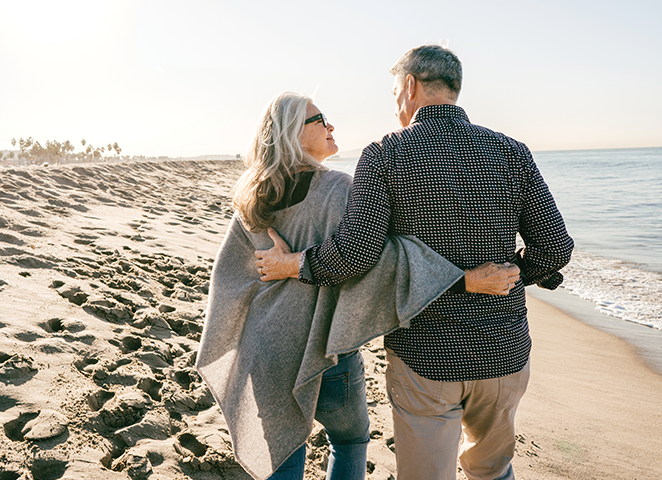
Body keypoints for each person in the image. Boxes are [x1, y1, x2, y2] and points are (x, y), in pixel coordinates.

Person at [255, 45, 574, 480]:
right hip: (504, 350)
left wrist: (295, 264)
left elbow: (355, 255)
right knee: (494, 471)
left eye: (393, 94)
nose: (395, 106)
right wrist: (519, 271)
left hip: (426, 355)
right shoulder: (511, 151)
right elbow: (555, 248)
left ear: (410, 86)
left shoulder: (386, 154)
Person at [197, 92, 519, 480]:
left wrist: (278, 271)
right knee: (349, 440)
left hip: (266, 350)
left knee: (282, 451)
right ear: (292, 134)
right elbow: (379, 262)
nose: (330, 126)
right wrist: (464, 278)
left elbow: (230, 274)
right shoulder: (339, 190)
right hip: (327, 352)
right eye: (319, 120)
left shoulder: (252, 195)